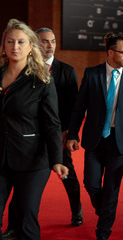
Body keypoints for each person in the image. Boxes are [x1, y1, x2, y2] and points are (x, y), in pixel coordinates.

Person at [1, 27, 82, 240]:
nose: (15, 46)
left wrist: (57, 159)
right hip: (2, 156)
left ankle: (77, 212)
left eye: (20, 42)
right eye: (10, 41)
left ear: (30, 47)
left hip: (32, 158)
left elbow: (52, 123)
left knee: (27, 216)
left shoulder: (42, 80)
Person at [66, 33, 123, 240]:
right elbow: (79, 107)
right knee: (91, 183)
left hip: (119, 142)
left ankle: (103, 231)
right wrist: (73, 134)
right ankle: (104, 211)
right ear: (110, 52)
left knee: (112, 188)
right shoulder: (92, 74)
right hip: (94, 139)